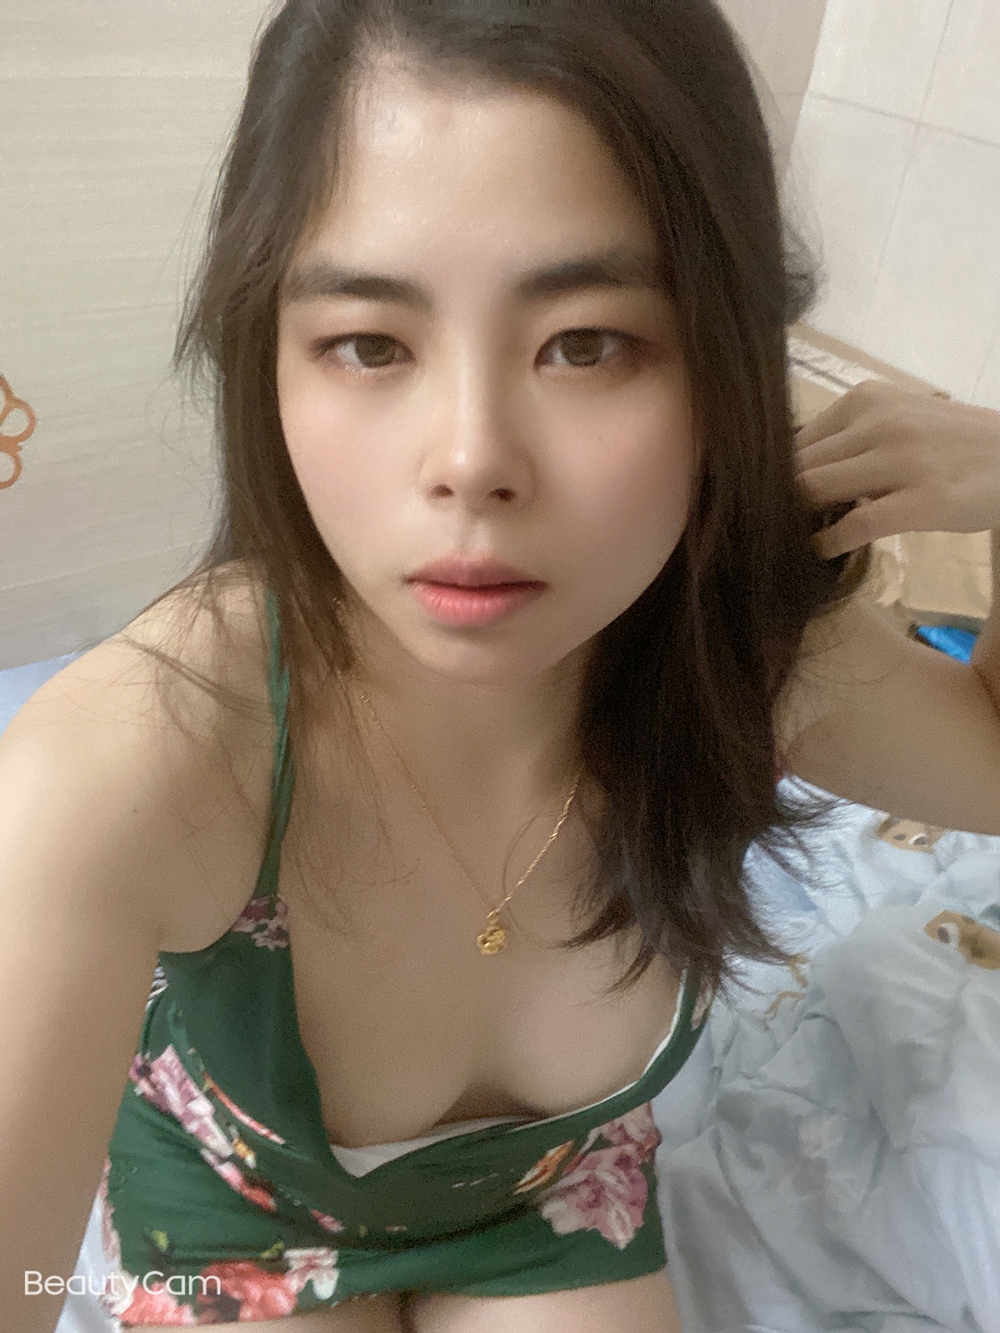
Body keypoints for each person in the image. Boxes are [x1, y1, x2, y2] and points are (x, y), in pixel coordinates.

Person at [2, 2, 999, 1330]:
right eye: (370, 342)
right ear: (269, 363)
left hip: (551, 1201)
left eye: (587, 342)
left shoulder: (747, 657)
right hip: (234, 1218)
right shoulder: (134, 763)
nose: (471, 459)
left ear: (724, 363)